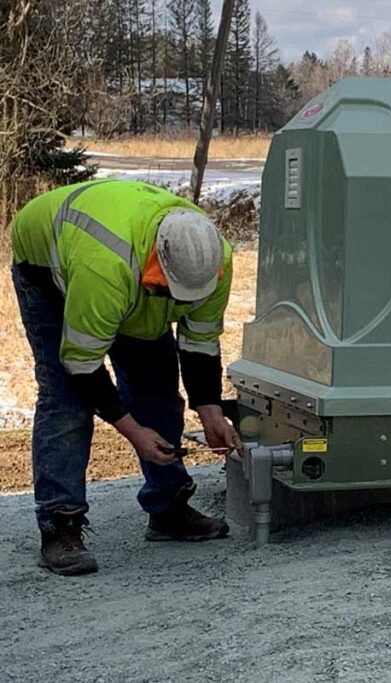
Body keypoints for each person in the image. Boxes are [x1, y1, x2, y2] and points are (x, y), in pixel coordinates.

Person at [10, 179, 243, 576]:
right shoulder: (104, 267)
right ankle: (60, 525)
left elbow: (200, 344)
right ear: (158, 266)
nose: (186, 304)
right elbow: (81, 366)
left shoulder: (213, 260)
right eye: (177, 293)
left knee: (158, 390)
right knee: (67, 401)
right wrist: (133, 431)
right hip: (48, 267)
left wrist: (211, 411)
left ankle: (168, 509)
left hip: (128, 277)